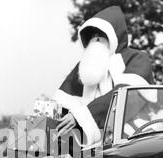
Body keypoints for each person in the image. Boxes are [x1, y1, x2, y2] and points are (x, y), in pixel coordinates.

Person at [55, 5, 156, 146]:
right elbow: (61, 106)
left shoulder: (137, 58)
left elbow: (126, 96)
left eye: (101, 35)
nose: (96, 39)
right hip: (87, 146)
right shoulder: (84, 66)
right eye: (93, 36)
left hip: (132, 139)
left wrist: (80, 116)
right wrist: (35, 130)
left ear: (114, 36)